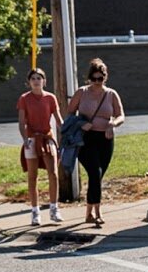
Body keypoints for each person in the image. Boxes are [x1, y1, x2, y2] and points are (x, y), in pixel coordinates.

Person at [65, 57, 125, 228]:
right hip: (85, 139)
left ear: (105, 78)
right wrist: (82, 123)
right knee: (94, 172)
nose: (97, 82)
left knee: (97, 176)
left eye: (100, 79)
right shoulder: (82, 93)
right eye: (94, 79)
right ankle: (97, 213)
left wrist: (113, 123)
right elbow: (69, 114)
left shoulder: (111, 94)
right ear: (89, 78)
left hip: (105, 139)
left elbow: (121, 115)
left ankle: (88, 213)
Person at [16, 67, 63, 226]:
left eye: (39, 78)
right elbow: (22, 122)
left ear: (44, 81)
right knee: (32, 175)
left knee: (53, 173)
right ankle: (35, 211)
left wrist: (67, 132)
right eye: (33, 78)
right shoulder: (24, 98)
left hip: (47, 138)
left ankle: (54, 208)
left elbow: (58, 120)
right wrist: (25, 139)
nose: (36, 81)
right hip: (31, 139)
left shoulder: (51, 98)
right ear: (29, 82)